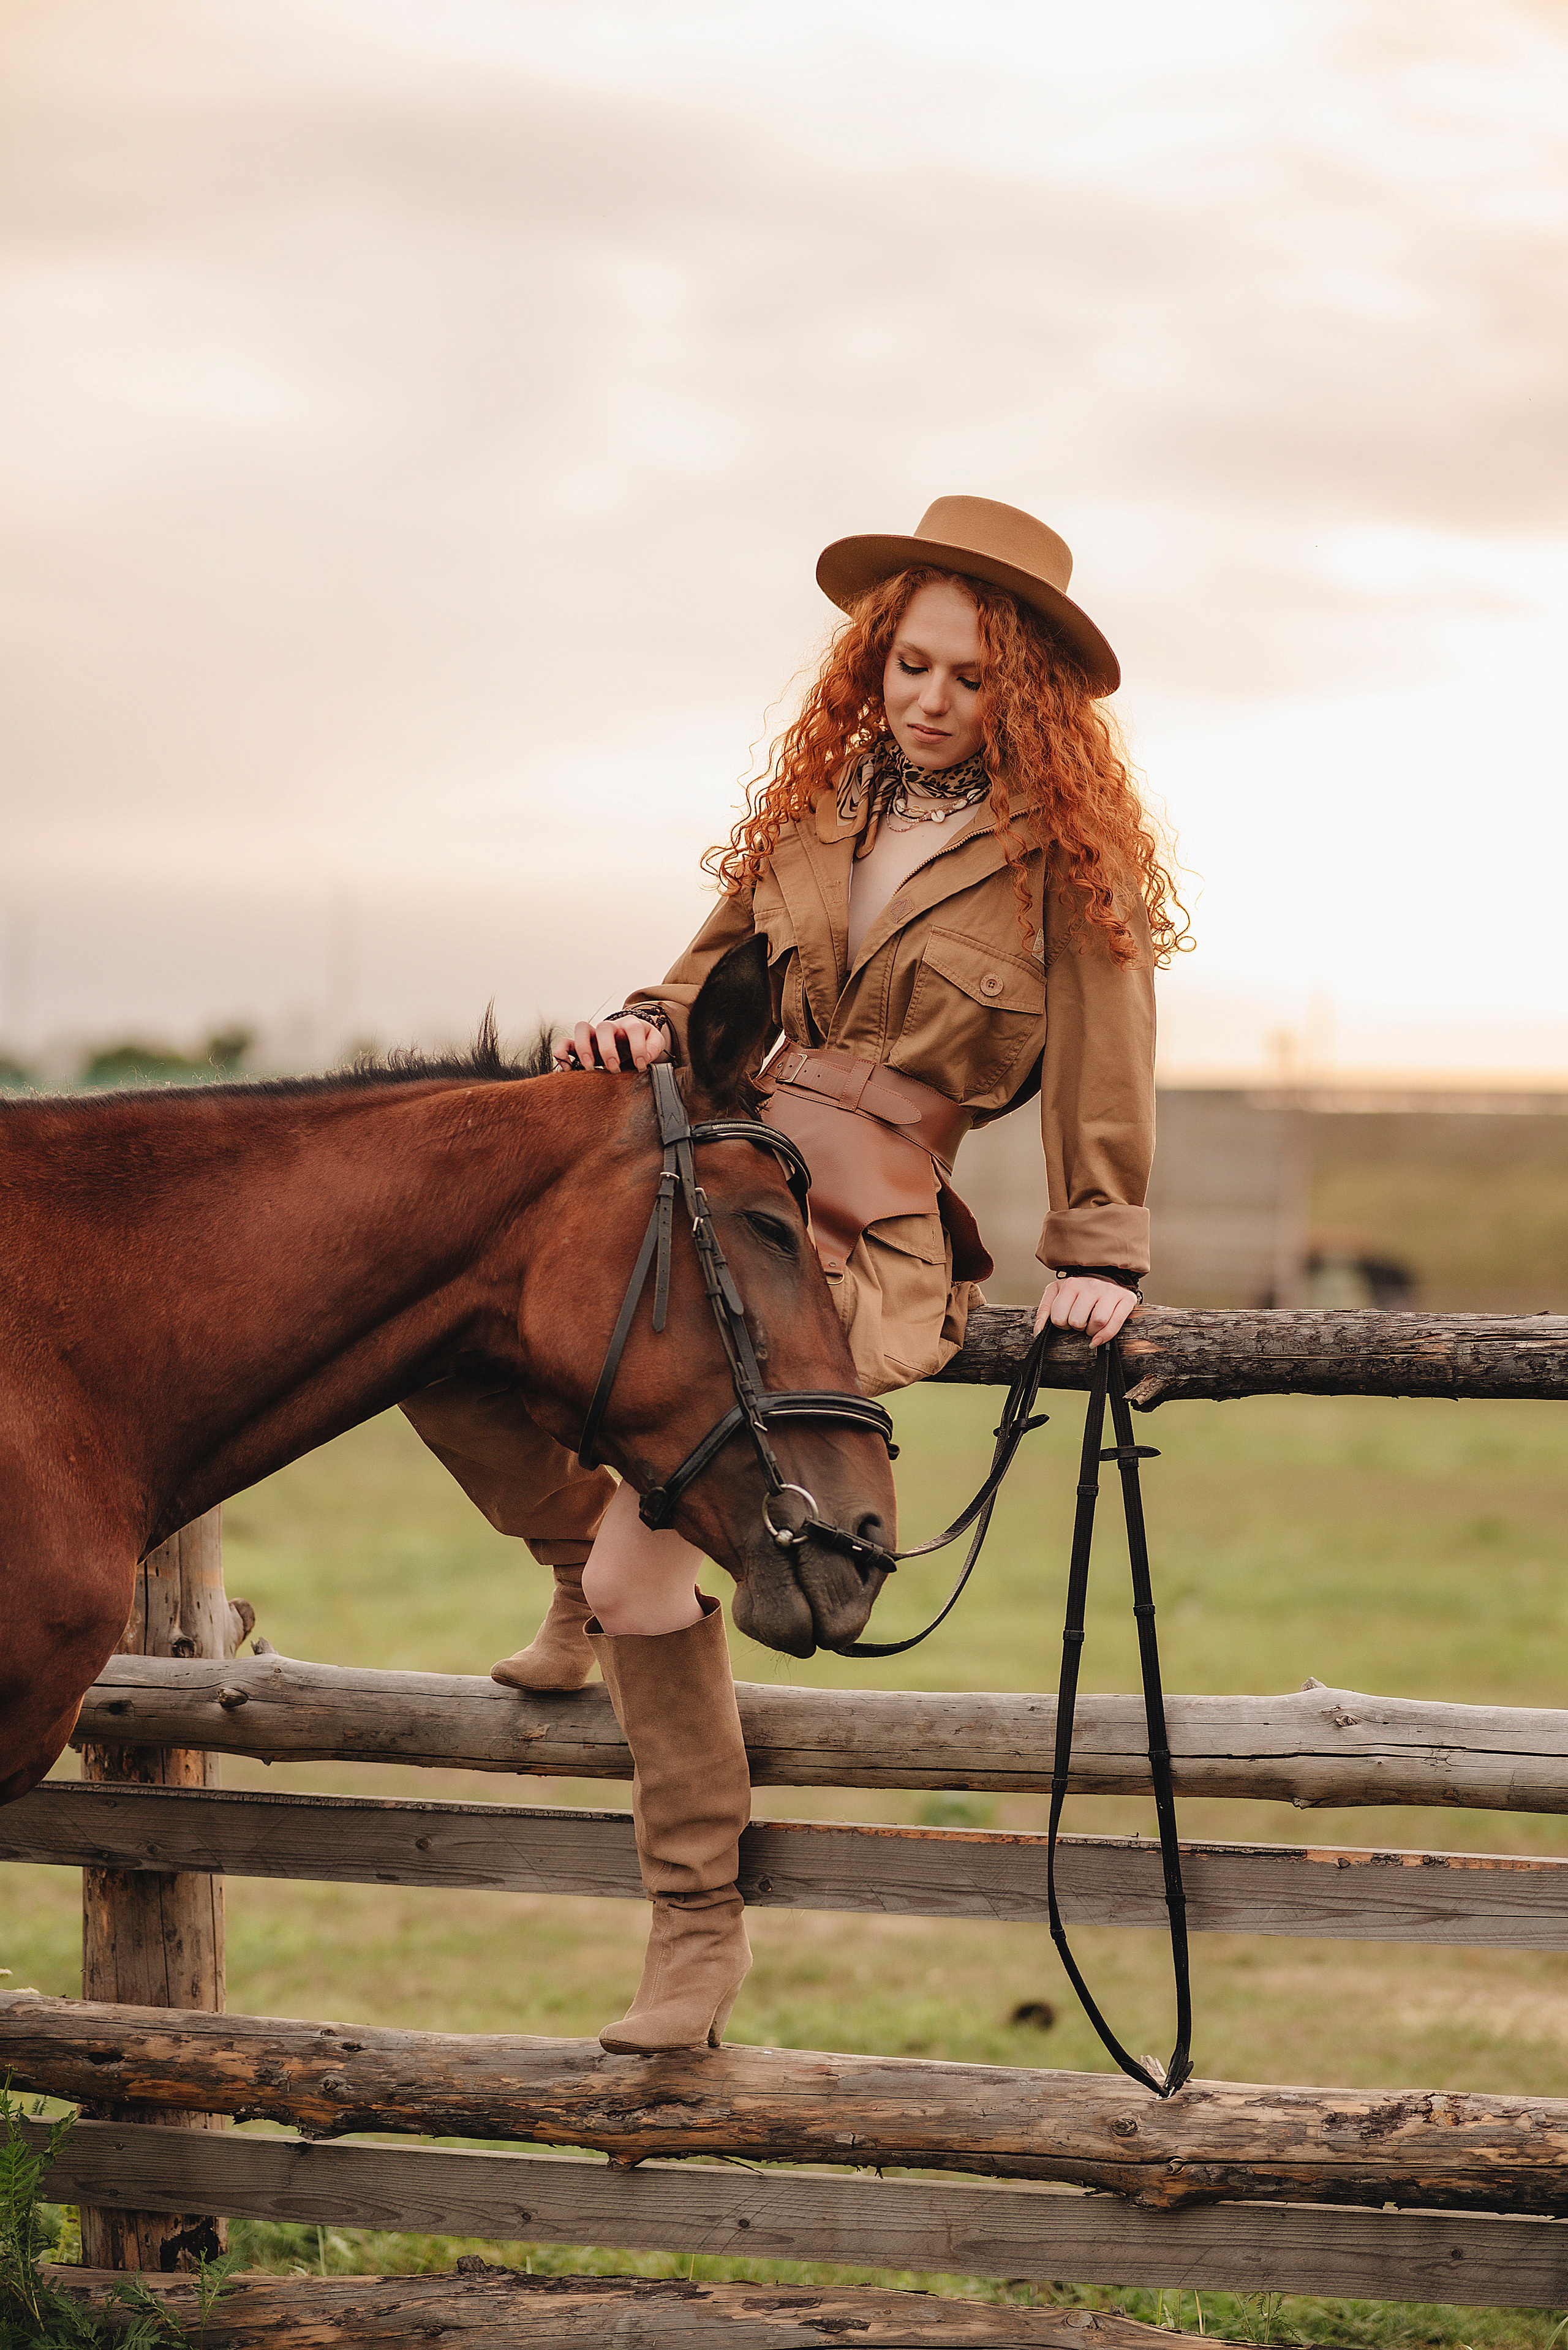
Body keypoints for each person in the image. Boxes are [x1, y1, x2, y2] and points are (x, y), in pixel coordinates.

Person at [402, 494, 1185, 2058]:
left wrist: (1096, 1248)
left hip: (867, 1223)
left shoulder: (1061, 864)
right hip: (728, 1172)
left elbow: (1110, 1066)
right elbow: (699, 975)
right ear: (872, 660)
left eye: (967, 676)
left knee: (648, 1574)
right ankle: (572, 1557)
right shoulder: (815, 813)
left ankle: (692, 1925)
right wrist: (637, 1014)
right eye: (907, 663)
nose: (928, 698)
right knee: (449, 1336)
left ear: (1016, 688)